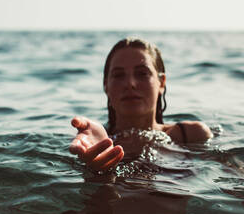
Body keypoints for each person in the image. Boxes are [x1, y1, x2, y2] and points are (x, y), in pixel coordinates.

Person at [69, 37, 213, 173]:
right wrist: (95, 172)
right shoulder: (94, 143)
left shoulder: (192, 135)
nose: (130, 84)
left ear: (161, 83)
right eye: (119, 75)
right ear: (106, 85)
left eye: (142, 73)